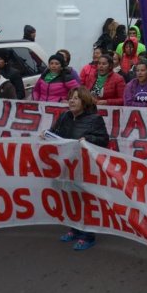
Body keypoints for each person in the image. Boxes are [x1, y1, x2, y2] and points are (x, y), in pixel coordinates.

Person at [48, 86, 109, 251]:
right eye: (70, 98)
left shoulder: (95, 119)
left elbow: (103, 140)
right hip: (66, 165)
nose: (71, 101)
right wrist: (46, 135)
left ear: (85, 101)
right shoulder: (64, 116)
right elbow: (54, 133)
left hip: (85, 166)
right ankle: (74, 229)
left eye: (76, 98)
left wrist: (87, 138)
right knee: (70, 198)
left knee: (85, 200)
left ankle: (88, 235)